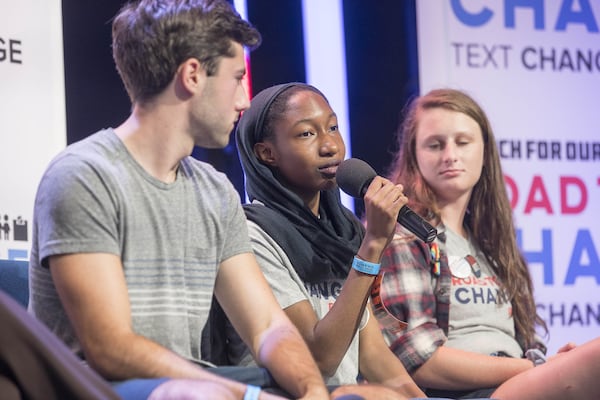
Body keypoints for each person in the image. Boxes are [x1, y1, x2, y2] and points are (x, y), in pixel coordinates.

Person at [28, 1, 329, 399]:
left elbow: (267, 327)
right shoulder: (84, 175)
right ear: (192, 76)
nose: (244, 100)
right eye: (237, 78)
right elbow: (110, 348)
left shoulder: (214, 190)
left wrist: (313, 392)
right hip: (92, 386)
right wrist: (249, 397)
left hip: (189, 384)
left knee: (374, 397)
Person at [375, 88, 600, 399]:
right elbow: (418, 360)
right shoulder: (401, 235)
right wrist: (535, 368)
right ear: (414, 155)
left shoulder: (493, 244)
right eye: (435, 145)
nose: (450, 155)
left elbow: (525, 345)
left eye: (463, 142)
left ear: (485, 151)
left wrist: (551, 363)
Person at [230, 82, 428, 400]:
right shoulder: (252, 235)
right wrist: (373, 246)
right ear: (267, 153)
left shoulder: (344, 232)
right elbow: (319, 359)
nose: (330, 146)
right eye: (307, 134)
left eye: (332, 127)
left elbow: (377, 360)